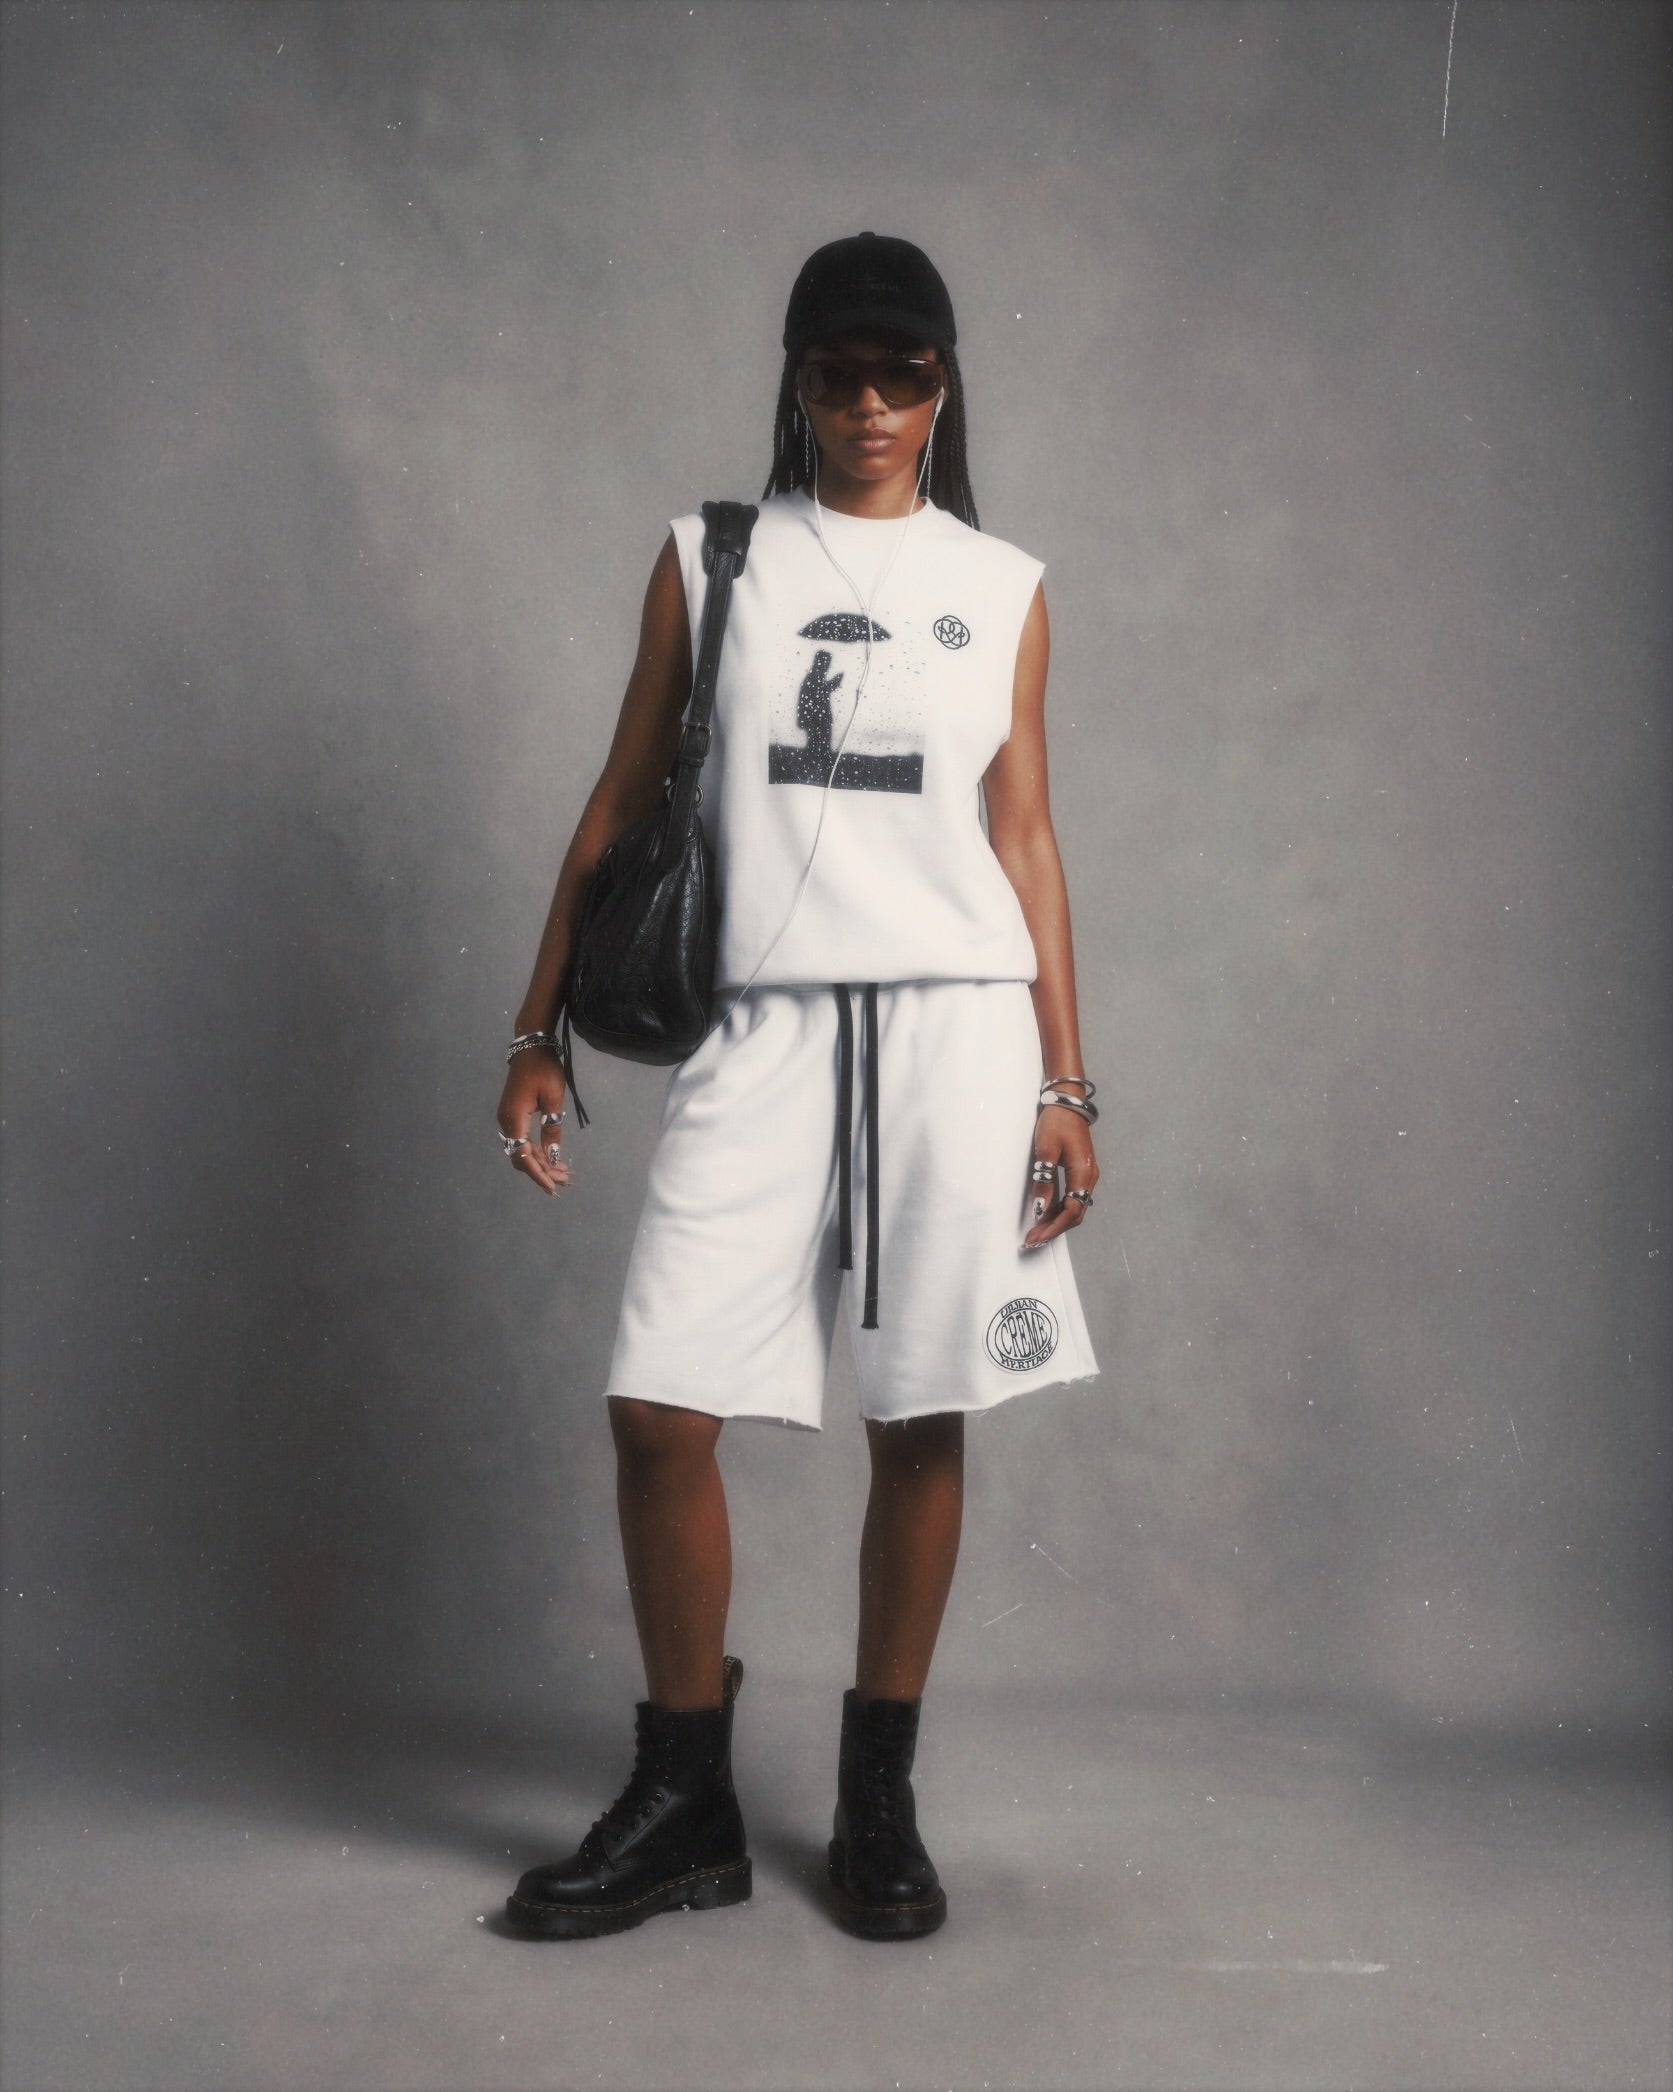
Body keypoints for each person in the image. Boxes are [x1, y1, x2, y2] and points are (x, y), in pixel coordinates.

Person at [494, 232, 1100, 1943]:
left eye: (904, 373)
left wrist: (1067, 1082)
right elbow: (617, 799)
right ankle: (685, 1796)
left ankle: (876, 1795)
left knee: (920, 1415)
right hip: (757, 1032)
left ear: (945, 385)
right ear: (796, 382)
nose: (871, 405)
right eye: (839, 373)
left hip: (951, 1032)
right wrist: (535, 1033)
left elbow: (1025, 836)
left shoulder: (1002, 583)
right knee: (657, 1408)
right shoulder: (714, 559)